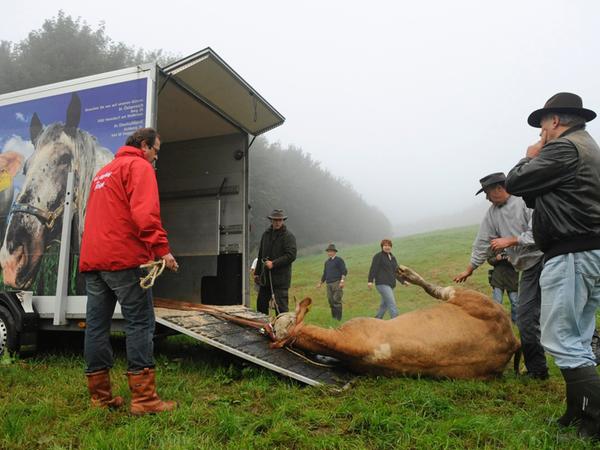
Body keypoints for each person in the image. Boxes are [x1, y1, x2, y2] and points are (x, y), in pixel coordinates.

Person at [506, 92, 600, 438]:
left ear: (555, 121)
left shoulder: (564, 148)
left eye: (542, 124)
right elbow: (538, 194)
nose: (540, 133)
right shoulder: (587, 146)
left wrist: (527, 157)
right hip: (587, 250)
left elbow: (515, 183)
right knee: (577, 337)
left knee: (560, 338)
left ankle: (595, 423)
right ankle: (577, 413)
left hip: (571, 252)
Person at [79, 127, 178, 415]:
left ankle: (100, 397)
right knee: (140, 323)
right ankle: (145, 400)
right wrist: (162, 250)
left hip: (94, 261)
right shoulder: (139, 166)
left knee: (96, 327)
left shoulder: (103, 172)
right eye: (156, 151)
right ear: (144, 146)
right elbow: (145, 213)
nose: (156, 157)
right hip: (123, 259)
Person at [454, 172, 548, 380]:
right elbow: (482, 242)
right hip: (528, 268)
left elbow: (541, 231)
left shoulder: (525, 201)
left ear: (499, 188)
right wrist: (470, 268)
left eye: (488, 193)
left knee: (557, 312)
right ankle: (538, 370)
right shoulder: (492, 214)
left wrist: (511, 240)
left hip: (547, 259)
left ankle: (584, 352)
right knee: (525, 318)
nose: (487, 198)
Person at [254, 209, 297, 315]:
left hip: (281, 280)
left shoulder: (288, 236)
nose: (277, 222)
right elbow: (261, 255)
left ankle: (281, 331)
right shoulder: (266, 235)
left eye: (280, 220)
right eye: (275, 220)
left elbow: (291, 255)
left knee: (281, 310)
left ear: (283, 220)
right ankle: (264, 330)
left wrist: (274, 263)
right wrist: (257, 273)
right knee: (261, 306)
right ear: (271, 220)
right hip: (265, 279)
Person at [368, 239, 405, 319]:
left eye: (388, 245)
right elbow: (373, 268)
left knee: (384, 304)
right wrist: (370, 281)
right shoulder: (378, 256)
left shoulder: (392, 257)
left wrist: (403, 281)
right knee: (392, 303)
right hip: (382, 284)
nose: (387, 247)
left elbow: (396, 272)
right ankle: (396, 321)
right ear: (382, 247)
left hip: (391, 284)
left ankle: (377, 319)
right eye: (385, 245)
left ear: (391, 247)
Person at [486, 249, 519, 322]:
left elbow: (521, 260)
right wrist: (496, 259)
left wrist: (512, 260)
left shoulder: (515, 246)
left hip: (512, 279)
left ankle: (516, 322)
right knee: (497, 302)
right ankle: (497, 321)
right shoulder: (496, 245)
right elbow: (489, 260)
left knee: (515, 302)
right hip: (498, 278)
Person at [317, 244, 348, 320]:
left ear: (334, 252)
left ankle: (338, 319)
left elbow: (344, 271)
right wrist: (320, 283)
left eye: (331, 251)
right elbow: (325, 273)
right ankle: (334, 318)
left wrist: (342, 281)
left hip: (337, 283)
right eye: (328, 252)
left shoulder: (339, 260)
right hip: (328, 284)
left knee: (336, 300)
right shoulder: (327, 262)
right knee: (331, 301)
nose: (329, 253)